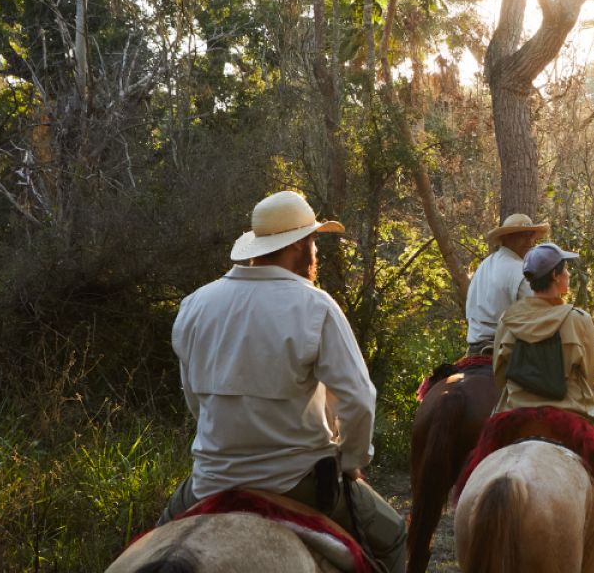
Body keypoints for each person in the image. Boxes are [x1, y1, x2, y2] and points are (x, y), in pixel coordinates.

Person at [157, 190, 407, 573]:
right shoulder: (315, 305)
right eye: (313, 242)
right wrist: (352, 461)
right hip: (297, 480)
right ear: (299, 247)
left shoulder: (196, 305)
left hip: (212, 478)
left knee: (153, 545)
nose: (316, 253)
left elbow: (195, 399)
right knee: (392, 538)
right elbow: (358, 398)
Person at [492, 241, 594, 541]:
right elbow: (589, 372)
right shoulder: (578, 319)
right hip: (569, 418)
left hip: (515, 415)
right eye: (567, 269)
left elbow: (499, 373)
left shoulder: (508, 318)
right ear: (556, 277)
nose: (569, 274)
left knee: (478, 462)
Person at [464, 213, 548, 356]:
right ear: (507, 238)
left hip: (474, 348)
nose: (530, 241)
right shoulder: (520, 271)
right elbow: (540, 316)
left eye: (531, 235)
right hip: (504, 351)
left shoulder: (485, 264)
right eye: (523, 236)